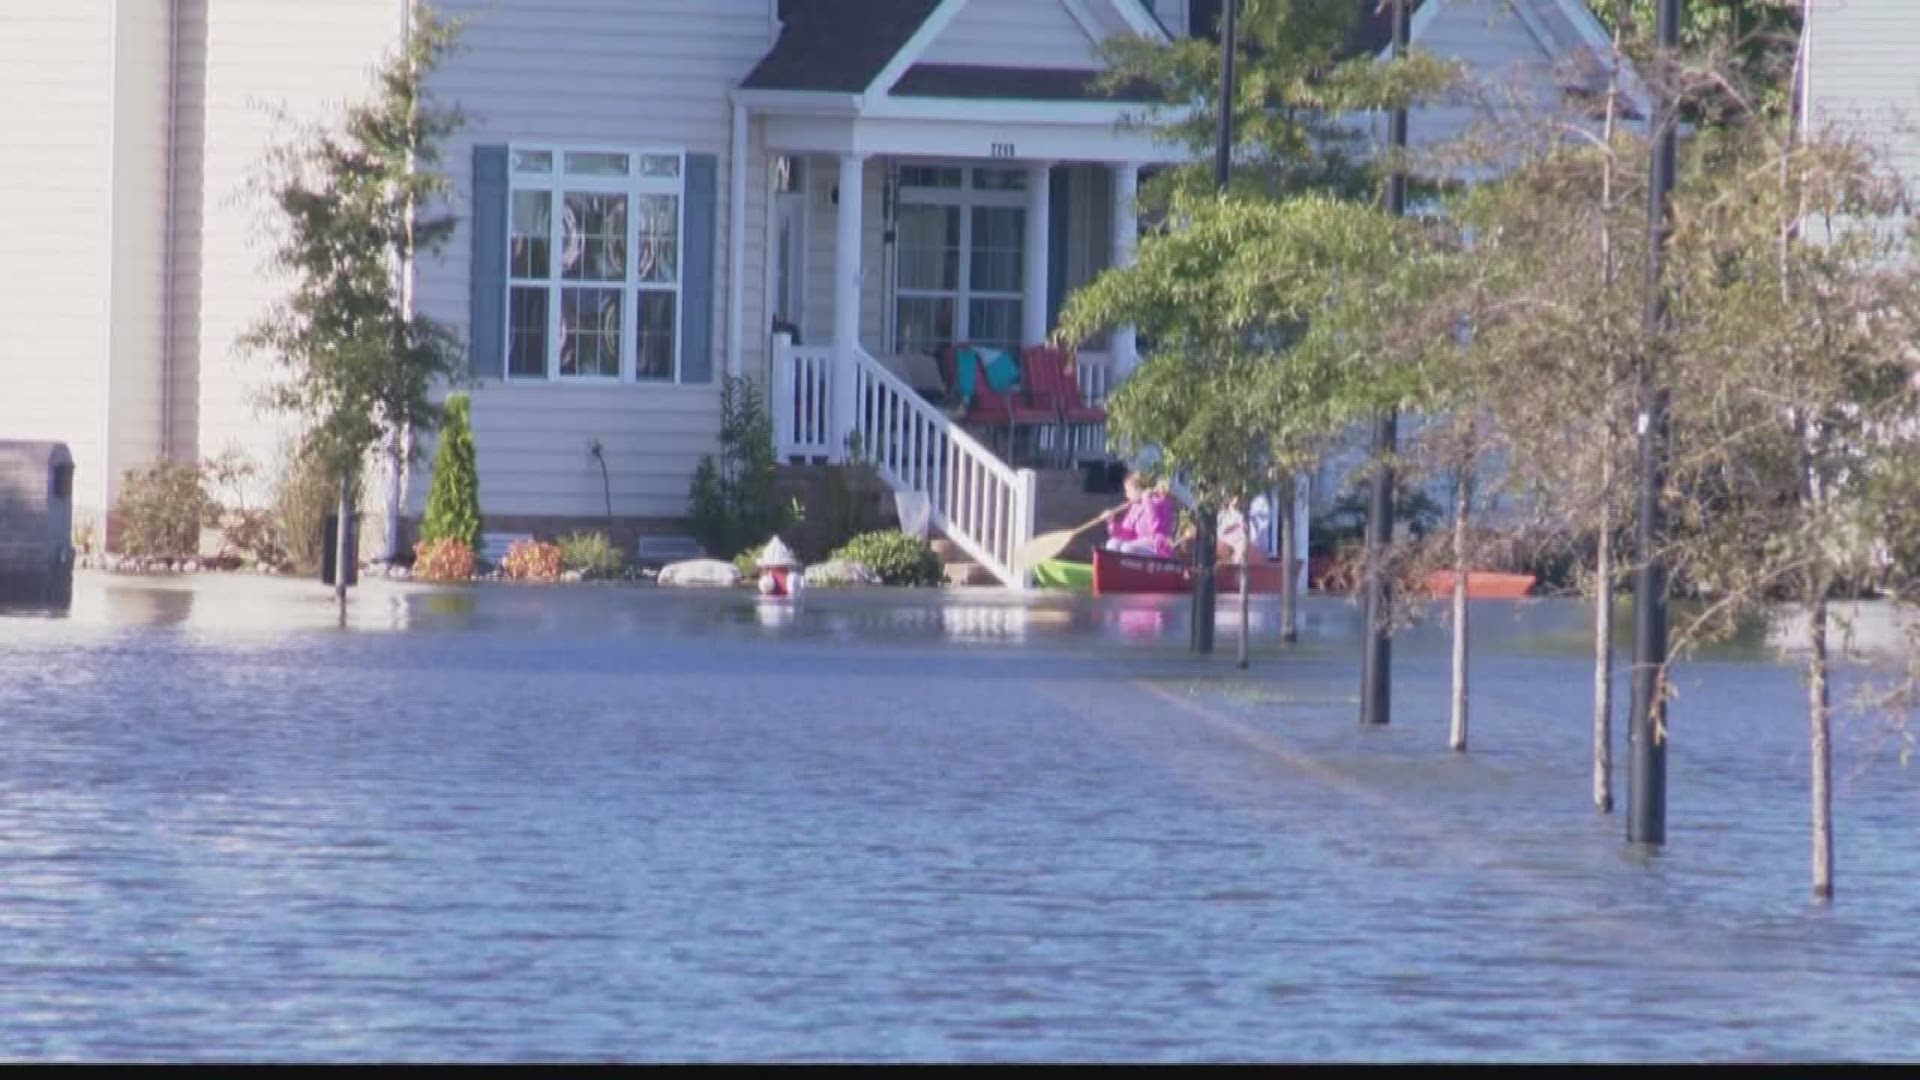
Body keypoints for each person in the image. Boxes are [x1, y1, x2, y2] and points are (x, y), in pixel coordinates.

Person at [1104, 472, 1176, 558]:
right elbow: (1128, 534)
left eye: (1128, 491)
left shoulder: (1161, 503)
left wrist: (1147, 501)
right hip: (1138, 543)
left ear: (1139, 490)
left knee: (1128, 548)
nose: (1126, 495)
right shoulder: (1136, 507)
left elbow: (1156, 528)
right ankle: (1114, 570)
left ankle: (1129, 569)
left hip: (1155, 547)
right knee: (1112, 543)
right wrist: (1112, 523)